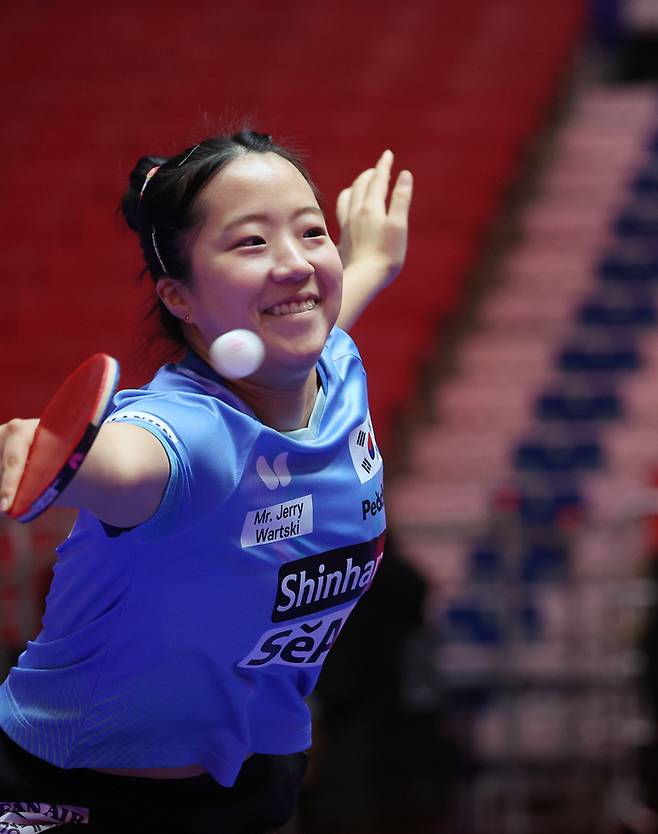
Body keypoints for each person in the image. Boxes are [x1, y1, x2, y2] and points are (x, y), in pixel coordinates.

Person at [0, 129, 412, 833]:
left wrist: (370, 254)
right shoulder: (193, 436)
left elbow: (328, 299)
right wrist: (56, 456)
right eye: (251, 243)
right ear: (180, 298)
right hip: (76, 797)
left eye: (311, 232)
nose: (295, 264)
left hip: (249, 790)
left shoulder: (334, 364)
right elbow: (127, 465)